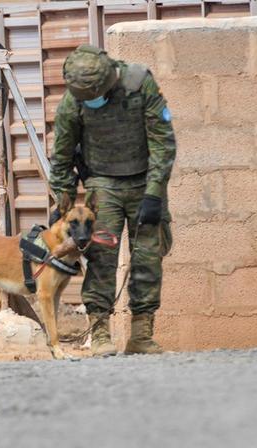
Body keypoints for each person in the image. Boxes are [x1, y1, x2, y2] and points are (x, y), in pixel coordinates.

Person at [49, 44, 175, 357]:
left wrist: (155, 193)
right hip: (102, 184)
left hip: (144, 180)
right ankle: (100, 333)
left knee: (147, 258)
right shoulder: (73, 101)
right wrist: (63, 201)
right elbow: (62, 156)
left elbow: (162, 141)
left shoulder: (138, 83)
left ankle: (141, 336)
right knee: (102, 258)